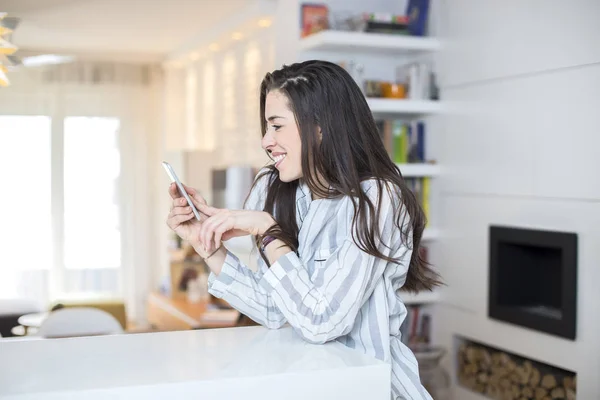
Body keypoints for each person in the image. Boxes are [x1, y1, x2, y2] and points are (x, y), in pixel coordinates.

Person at [166, 60, 442, 400]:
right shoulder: (273, 187)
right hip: (303, 383)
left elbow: (322, 322)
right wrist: (207, 246)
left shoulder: (377, 199)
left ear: (320, 127)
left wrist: (268, 232)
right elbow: (274, 310)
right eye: (266, 127)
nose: (266, 141)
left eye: (277, 126)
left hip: (369, 389)